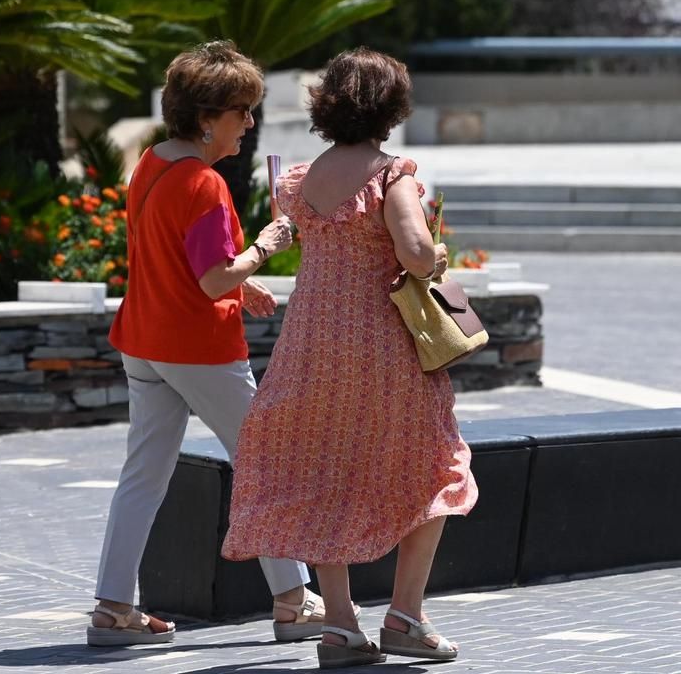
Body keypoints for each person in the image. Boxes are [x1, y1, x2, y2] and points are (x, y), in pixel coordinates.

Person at [221, 47, 476, 668]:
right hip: (382, 350)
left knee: (322, 473)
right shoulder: (394, 176)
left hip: (311, 346)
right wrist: (437, 260)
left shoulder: (300, 180)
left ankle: (339, 626)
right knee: (438, 464)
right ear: (390, 109)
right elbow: (417, 254)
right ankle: (405, 616)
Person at [88, 41, 328, 647]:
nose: (250, 123)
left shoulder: (152, 163)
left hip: (142, 340)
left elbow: (170, 253)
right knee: (266, 462)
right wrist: (266, 247)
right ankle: (294, 603)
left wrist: (235, 284)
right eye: (241, 111)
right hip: (197, 347)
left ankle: (113, 609)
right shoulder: (205, 184)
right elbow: (211, 276)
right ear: (205, 118)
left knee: (143, 474)